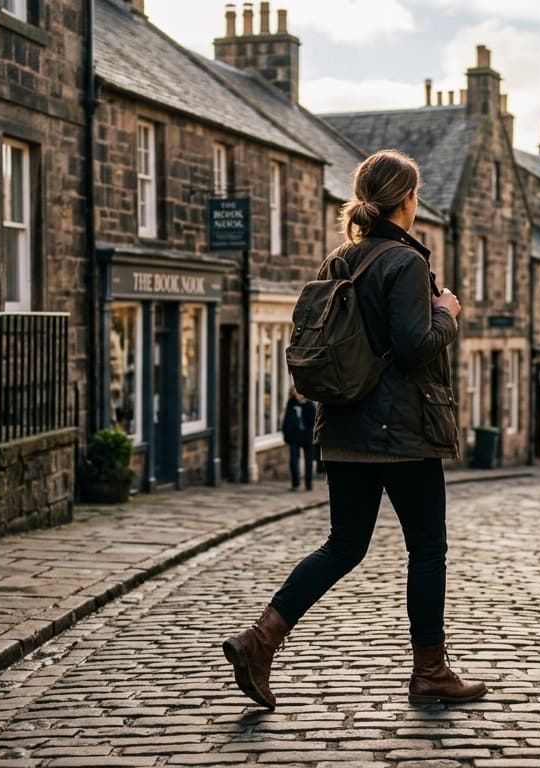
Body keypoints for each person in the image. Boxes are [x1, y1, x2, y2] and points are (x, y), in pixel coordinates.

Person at [222, 150, 484, 710]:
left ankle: (260, 638)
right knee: (427, 549)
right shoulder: (404, 262)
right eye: (415, 197)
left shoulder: (340, 258)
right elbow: (415, 347)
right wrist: (447, 313)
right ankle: (431, 672)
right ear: (408, 200)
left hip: (342, 427)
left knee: (343, 545)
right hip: (402, 434)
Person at [281, 387, 317, 491]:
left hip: (308, 437)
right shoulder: (291, 403)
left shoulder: (310, 405)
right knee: (293, 461)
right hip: (295, 437)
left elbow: (313, 420)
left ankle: (308, 483)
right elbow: (287, 420)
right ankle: (295, 483)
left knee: (309, 462)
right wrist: (286, 435)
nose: (298, 395)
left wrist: (304, 404)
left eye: (299, 393)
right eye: (295, 393)